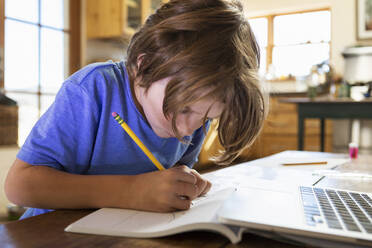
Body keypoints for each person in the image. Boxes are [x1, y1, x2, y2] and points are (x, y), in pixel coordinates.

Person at [5, 0, 266, 219]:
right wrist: (132, 191)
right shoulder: (93, 90)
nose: (188, 130)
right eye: (184, 109)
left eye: (208, 118)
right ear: (143, 66)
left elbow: (165, 182)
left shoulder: (194, 120)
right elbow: (19, 186)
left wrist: (182, 185)